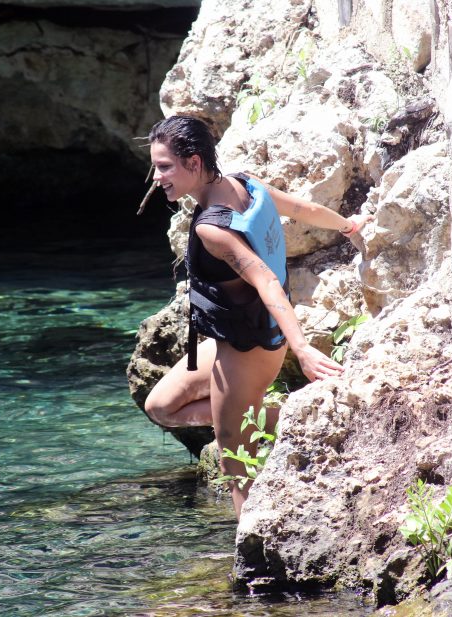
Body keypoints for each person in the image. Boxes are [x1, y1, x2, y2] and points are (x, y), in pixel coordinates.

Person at [143, 115, 373, 519]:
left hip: (246, 351)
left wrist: (302, 350)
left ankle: (249, 555)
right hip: (233, 340)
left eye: (164, 167)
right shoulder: (244, 182)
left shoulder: (211, 230)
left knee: (236, 468)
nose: (157, 177)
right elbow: (303, 208)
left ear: (194, 163)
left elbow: (265, 280)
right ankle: (282, 416)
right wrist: (348, 225)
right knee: (161, 406)